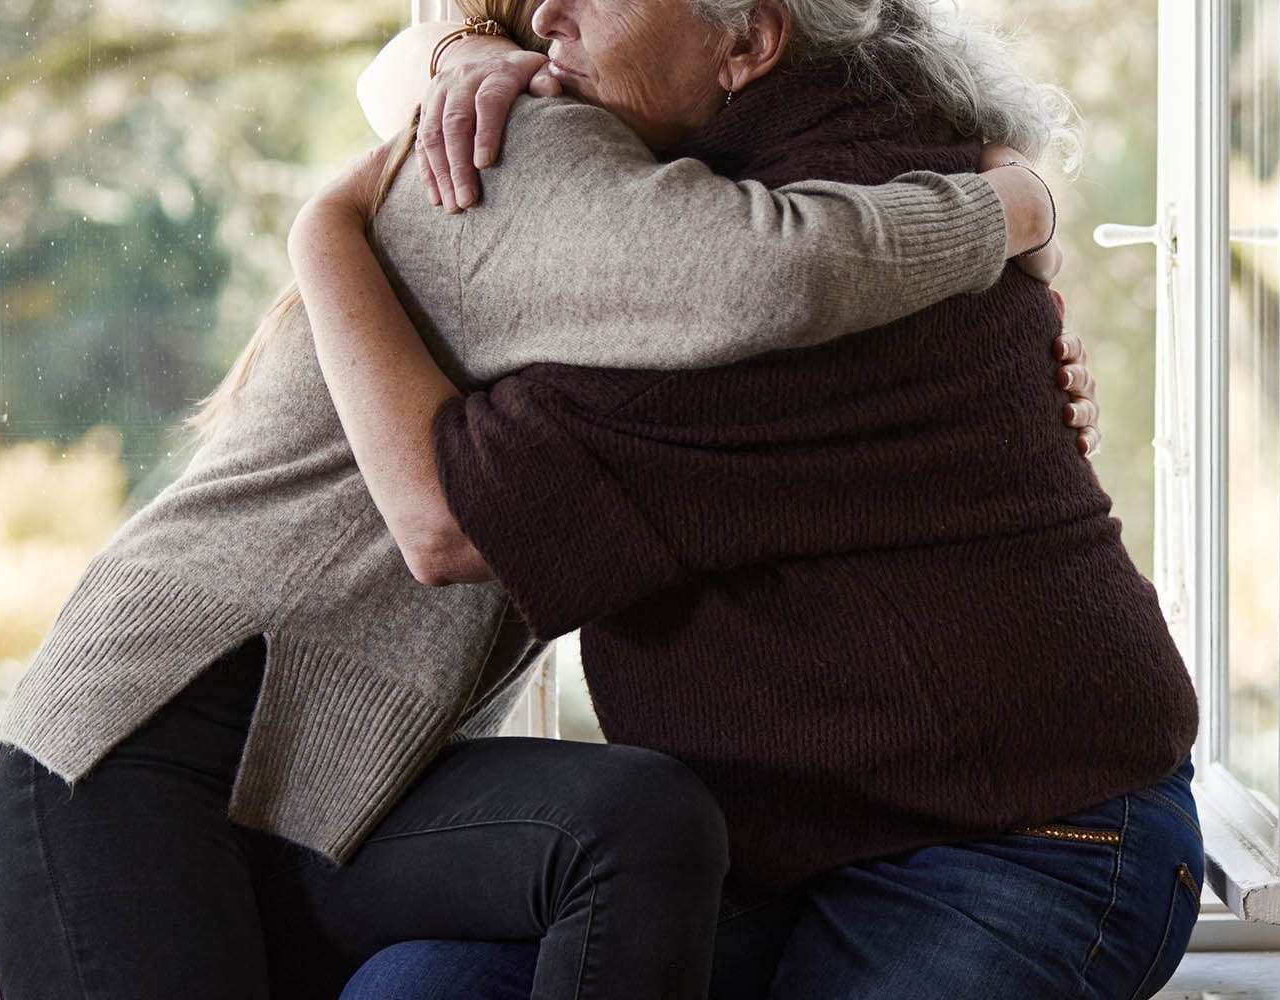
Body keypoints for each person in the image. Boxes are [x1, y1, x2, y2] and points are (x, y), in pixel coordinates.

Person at [0, 1, 1091, 997]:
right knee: (636, 824)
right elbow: (775, 273)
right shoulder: (520, 143)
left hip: (328, 777)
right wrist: (1017, 204)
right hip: (139, 747)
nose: (556, 15)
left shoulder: (549, 124)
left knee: (633, 826)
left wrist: (1005, 343)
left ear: (752, 42)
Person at [290, 2, 1204, 998]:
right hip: (763, 850)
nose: (547, 17)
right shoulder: (758, 174)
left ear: (747, 43)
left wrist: (323, 225)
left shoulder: (784, 272)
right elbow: (401, 85)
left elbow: (446, 523)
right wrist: (455, 50)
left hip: (1028, 836)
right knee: (415, 988)